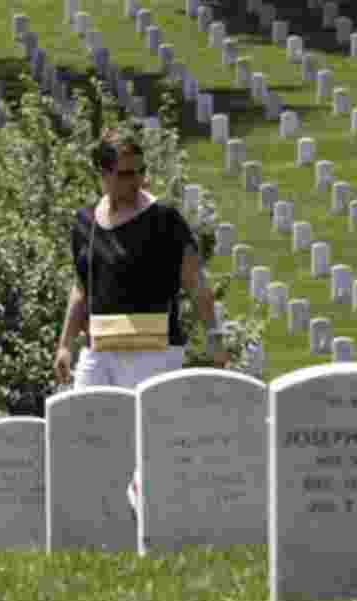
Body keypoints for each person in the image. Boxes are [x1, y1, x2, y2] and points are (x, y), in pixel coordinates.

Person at [52, 127, 229, 516]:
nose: (135, 181)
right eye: (125, 173)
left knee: (149, 434)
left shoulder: (164, 219)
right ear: (103, 173)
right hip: (100, 345)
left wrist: (214, 337)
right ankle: (100, 515)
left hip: (155, 345)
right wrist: (65, 343)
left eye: (139, 171)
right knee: (85, 423)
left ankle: (148, 509)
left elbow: (195, 282)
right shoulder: (85, 223)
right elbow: (81, 289)